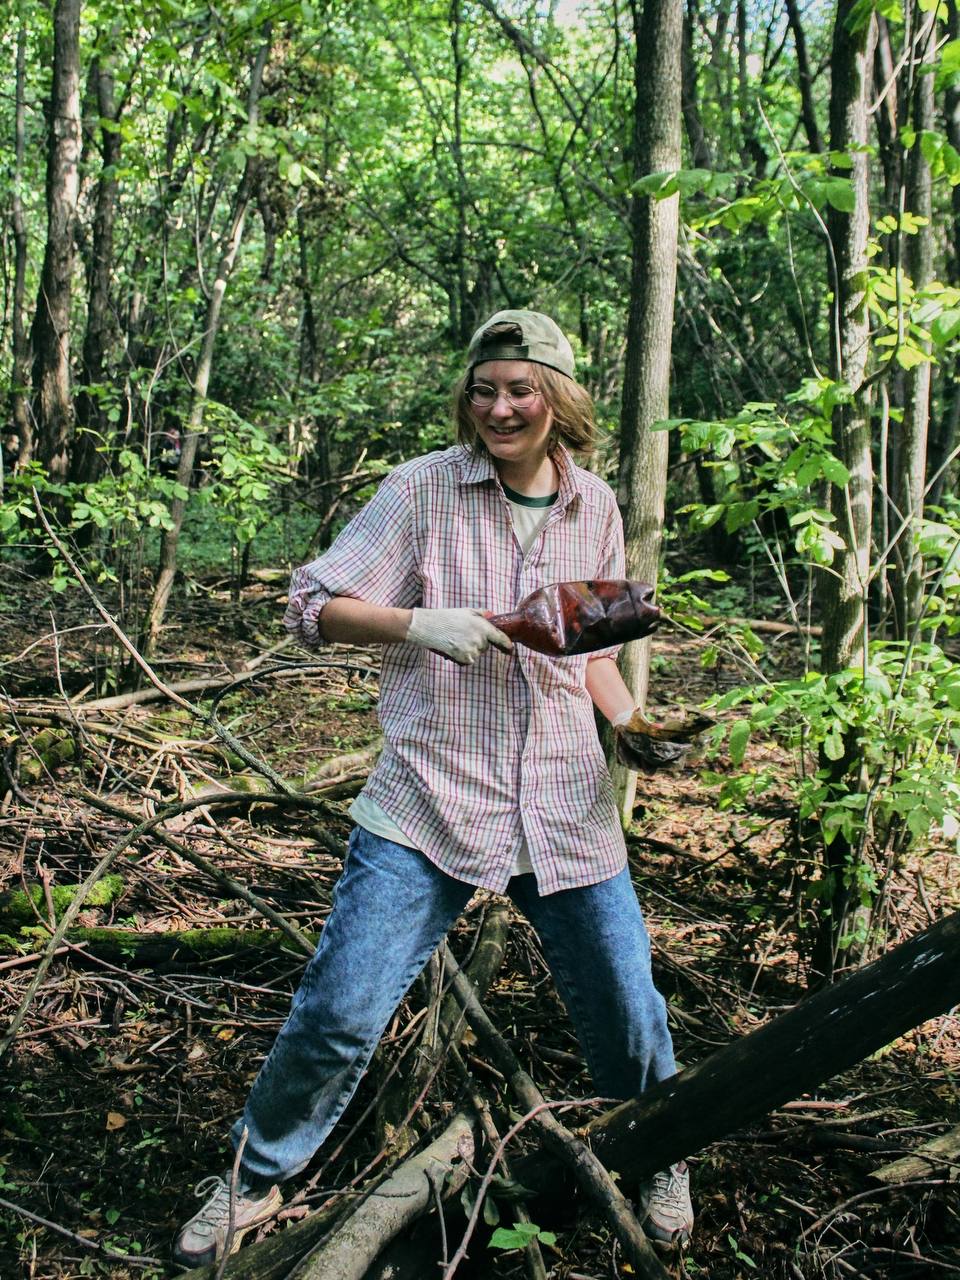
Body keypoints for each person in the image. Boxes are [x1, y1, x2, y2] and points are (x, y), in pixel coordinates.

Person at [172, 309, 693, 1267]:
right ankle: (252, 1178)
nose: (500, 408)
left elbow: (592, 650)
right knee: (339, 1009)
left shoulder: (595, 506)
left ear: (557, 398)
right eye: (484, 390)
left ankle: (658, 1152)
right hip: (430, 798)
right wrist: (419, 624)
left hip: (564, 803)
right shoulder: (421, 490)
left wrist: (630, 722)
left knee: (629, 1007)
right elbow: (310, 604)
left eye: (520, 389)